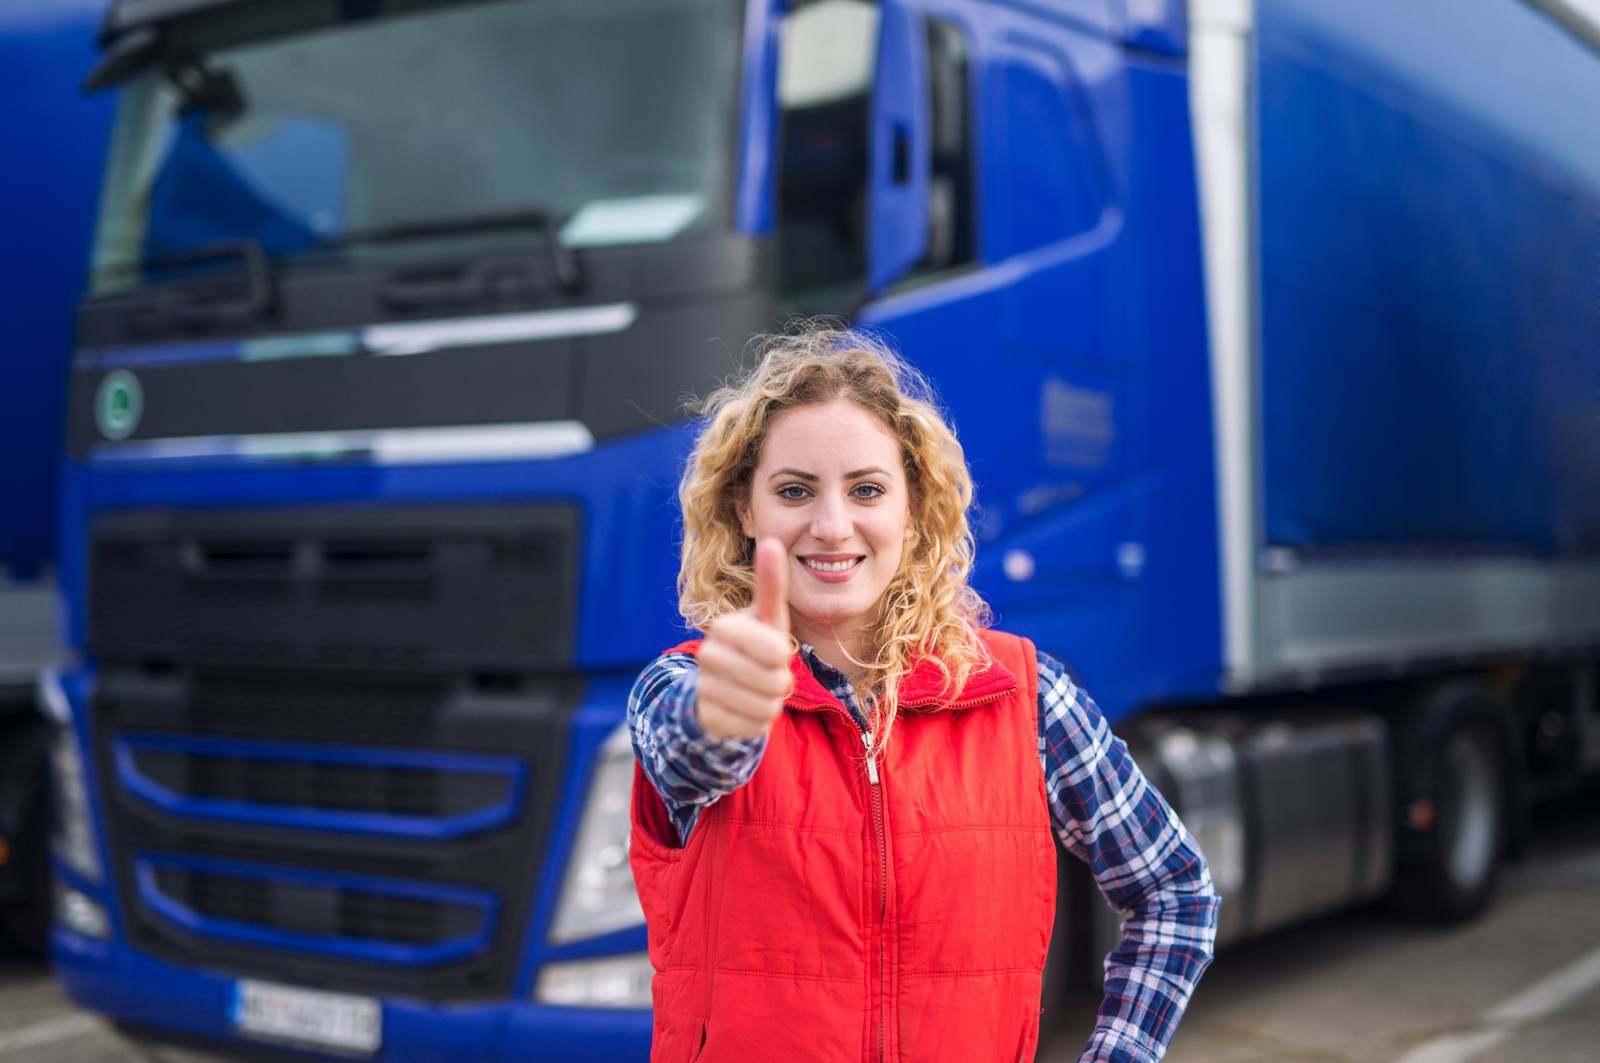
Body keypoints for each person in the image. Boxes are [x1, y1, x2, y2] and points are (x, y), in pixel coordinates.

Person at [627, 325, 1218, 1062]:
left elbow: (1176, 895)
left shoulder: (1028, 699)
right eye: (793, 490)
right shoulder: (680, 685)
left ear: (913, 511)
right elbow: (692, 755)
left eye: (867, 489)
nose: (832, 524)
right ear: (745, 510)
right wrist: (728, 712)